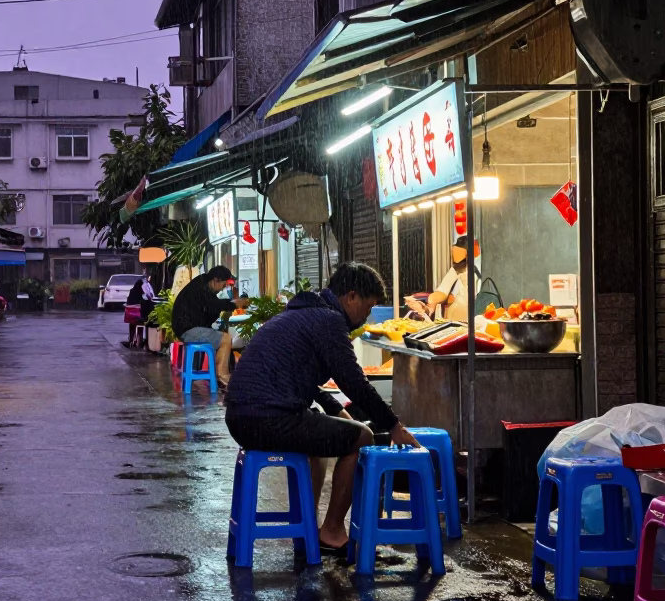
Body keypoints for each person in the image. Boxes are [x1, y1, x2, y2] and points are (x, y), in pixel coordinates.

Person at [224, 262, 419, 554]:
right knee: (362, 437)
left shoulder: (302, 315)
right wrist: (394, 426)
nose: (365, 318)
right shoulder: (328, 321)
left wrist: (336, 409)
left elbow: (308, 381)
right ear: (351, 296)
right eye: (366, 309)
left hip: (242, 417)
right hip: (268, 418)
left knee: (320, 435)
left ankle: (307, 525)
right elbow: (354, 382)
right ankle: (331, 531)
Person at [171, 265, 250, 389]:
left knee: (219, 337)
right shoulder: (202, 288)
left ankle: (217, 373)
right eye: (223, 285)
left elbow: (211, 307)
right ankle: (222, 374)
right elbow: (214, 305)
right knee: (225, 338)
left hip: (185, 328)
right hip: (187, 329)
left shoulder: (202, 284)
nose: (223, 289)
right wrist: (234, 305)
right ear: (216, 280)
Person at [413, 235, 479, 323]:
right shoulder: (457, 270)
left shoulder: (476, 269)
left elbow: (442, 293)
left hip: (470, 317)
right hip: (459, 317)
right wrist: (427, 306)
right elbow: (442, 292)